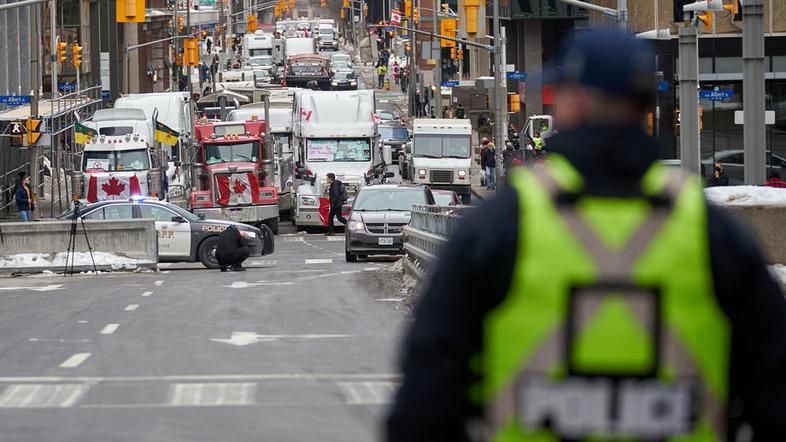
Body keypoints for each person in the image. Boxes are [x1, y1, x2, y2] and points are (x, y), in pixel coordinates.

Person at [387, 29, 786, 442]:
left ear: (571, 102)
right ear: (645, 109)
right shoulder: (716, 237)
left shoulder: (497, 230)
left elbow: (424, 407)